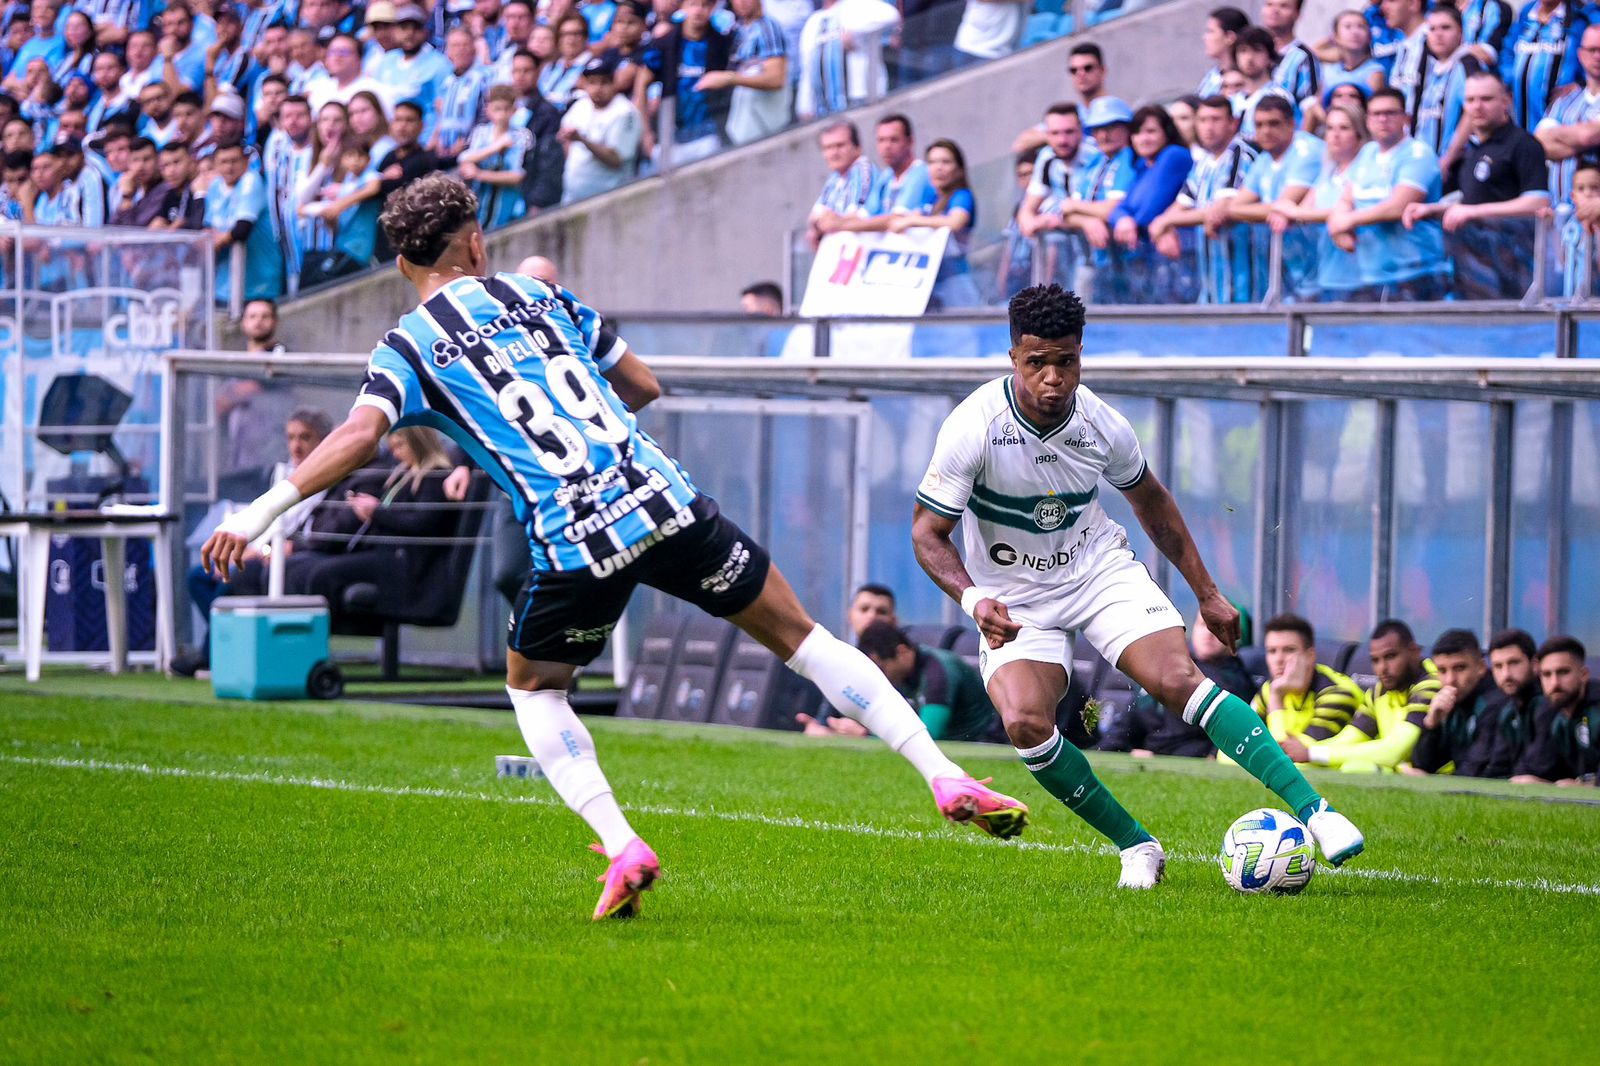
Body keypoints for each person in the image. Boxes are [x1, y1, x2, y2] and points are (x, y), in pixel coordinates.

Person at [203, 173, 1030, 921]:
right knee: (805, 639)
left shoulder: (409, 346)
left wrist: (261, 513)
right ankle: (941, 773)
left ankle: (622, 843)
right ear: (476, 242)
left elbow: (357, 433)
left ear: (401, 262)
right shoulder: (541, 296)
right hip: (663, 499)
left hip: (576, 538)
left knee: (535, 691)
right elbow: (642, 386)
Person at [910, 283, 1364, 889]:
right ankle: (1137, 846)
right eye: (1036, 362)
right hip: (1012, 595)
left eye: (1065, 361)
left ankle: (1317, 812)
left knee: (1179, 680)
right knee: (1024, 721)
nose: (1052, 379)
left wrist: (1207, 592)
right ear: (1013, 358)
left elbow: (1152, 502)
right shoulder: (972, 427)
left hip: (1096, 570)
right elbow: (927, 534)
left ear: (1081, 355)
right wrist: (973, 598)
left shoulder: (1102, 425)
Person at [175, 407, 339, 676]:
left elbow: (303, 529)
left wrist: (261, 551)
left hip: (285, 555)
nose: (296, 446)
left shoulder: (328, 477)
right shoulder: (284, 473)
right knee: (198, 577)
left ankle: (211, 656)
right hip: (262, 551)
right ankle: (223, 648)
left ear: (322, 440)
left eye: (304, 437)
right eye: (291, 437)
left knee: (232, 580)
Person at [1404, 71, 1548, 299]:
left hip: (1512, 270)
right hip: (1474, 267)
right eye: (1470, 100)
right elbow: (1478, 198)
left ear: (1506, 101)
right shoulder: (1474, 149)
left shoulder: (1524, 145)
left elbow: (1537, 202)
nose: (1477, 106)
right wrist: (1434, 209)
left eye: (1486, 99)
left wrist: (1471, 212)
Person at [1328, 86, 1449, 301]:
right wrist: (1337, 226)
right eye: (1376, 114)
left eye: (1390, 113)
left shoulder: (1418, 153)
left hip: (1416, 273)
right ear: (1367, 120)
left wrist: (1346, 222)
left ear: (1406, 118)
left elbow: (1398, 207)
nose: (1382, 119)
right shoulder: (1367, 152)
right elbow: (1347, 198)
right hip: (1372, 273)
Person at [1282, 618, 1439, 772]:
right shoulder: (1379, 691)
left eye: (1390, 656)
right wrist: (1303, 754)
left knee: (1355, 768)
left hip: (1443, 777)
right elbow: (1349, 738)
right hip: (1403, 772)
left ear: (1414, 652)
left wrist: (1312, 753)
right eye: (1375, 660)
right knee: (1315, 767)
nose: (1382, 668)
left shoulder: (1430, 684)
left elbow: (1394, 751)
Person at [802, 621, 1001, 741]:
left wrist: (864, 736)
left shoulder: (938, 672)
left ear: (902, 652)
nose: (877, 675)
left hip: (982, 747)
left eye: (881, 668)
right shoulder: (900, 674)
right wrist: (824, 727)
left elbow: (928, 736)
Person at [1099, 611, 1256, 759]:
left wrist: (1157, 760)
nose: (1208, 633)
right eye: (1203, 625)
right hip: (1143, 758)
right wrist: (1116, 751)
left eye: (1218, 627)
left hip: (1185, 763)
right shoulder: (1166, 668)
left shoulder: (1237, 683)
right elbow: (1123, 729)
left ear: (1236, 635)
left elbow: (1222, 748)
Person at [1147, 94, 1257, 304]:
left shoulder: (1239, 153)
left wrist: (1166, 222)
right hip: (1212, 275)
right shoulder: (1204, 161)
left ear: (1233, 123)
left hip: (1241, 277)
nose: (1208, 127)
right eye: (1203, 120)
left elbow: (1220, 210)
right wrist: (1162, 227)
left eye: (1216, 120)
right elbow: (1183, 203)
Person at [1269, 100, 1368, 299]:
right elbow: (1303, 211)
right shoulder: (1328, 171)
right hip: (1326, 274)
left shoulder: (1365, 166)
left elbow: (1349, 212)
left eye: (1344, 128)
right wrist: (1288, 213)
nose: (1335, 135)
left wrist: (1293, 211)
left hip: (1359, 276)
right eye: (1330, 128)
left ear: (1358, 132)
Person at [1107, 106, 1195, 304]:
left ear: (1167, 132)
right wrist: (1123, 219)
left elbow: (1150, 209)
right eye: (1137, 133)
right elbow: (1119, 209)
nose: (1143, 139)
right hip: (1151, 261)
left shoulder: (1174, 155)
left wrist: (1130, 220)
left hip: (1179, 257)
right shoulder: (1142, 166)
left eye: (1151, 131)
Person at [1248, 613, 1364, 750]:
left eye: (1289, 650)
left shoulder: (1337, 693)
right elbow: (1233, 748)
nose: (1278, 659)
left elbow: (1292, 756)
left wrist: (1277, 699)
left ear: (1310, 656)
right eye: (1272, 651)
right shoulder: (1270, 688)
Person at [887, 138, 979, 310]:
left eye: (946, 162)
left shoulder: (961, 195)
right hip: (931, 284)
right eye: (932, 162)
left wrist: (912, 221)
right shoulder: (931, 199)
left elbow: (955, 221)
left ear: (959, 169)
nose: (938, 167)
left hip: (956, 282)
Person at [1408, 629, 1510, 776]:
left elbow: (1477, 772)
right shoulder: (1454, 701)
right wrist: (1432, 723)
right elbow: (1422, 765)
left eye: (1460, 668)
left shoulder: (1494, 703)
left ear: (1480, 668)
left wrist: (1431, 781)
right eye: (1442, 670)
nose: (1450, 680)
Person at [1510, 635, 1598, 785]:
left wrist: (1588, 786)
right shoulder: (1551, 711)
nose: (1554, 683)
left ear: (1584, 674)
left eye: (1563, 672)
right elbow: (1533, 768)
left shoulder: (1596, 711)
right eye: (1546, 674)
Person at [206, 140, 283, 302]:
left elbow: (241, 230)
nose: (229, 167)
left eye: (235, 161)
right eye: (224, 162)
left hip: (259, 282)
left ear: (246, 162)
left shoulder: (251, 181)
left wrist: (211, 244)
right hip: (225, 284)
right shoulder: (214, 187)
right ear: (215, 165)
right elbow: (207, 227)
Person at [559, 55, 641, 203]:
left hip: (610, 201)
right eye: (592, 83)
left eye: (604, 82)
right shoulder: (581, 104)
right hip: (573, 197)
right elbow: (564, 135)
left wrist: (582, 140)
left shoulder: (625, 112)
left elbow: (616, 159)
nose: (597, 88)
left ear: (614, 83)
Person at [1501, 0, 1594, 130]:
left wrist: (1581, 83)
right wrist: (1509, 81)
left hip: (1559, 116)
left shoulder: (1580, 17)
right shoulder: (1527, 13)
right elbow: (1508, 51)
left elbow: (1592, 52)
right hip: (1521, 113)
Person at [1535, 22, 1600, 207]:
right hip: (1559, 213)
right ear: (1580, 54)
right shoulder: (1564, 101)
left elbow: (1587, 136)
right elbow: (1540, 144)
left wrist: (1562, 136)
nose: (1597, 56)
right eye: (1592, 50)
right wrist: (1584, 141)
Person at [710, 0, 789, 147]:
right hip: (742, 119)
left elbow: (776, 78)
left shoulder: (767, 27)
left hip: (766, 123)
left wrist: (729, 79)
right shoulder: (737, 29)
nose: (741, 2)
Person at [1414, 4, 1485, 167]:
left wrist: (1448, 159)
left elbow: (1472, 113)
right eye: (1432, 29)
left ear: (1460, 33)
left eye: (1445, 28)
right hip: (1427, 163)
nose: (1438, 34)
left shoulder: (1467, 64)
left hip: (1454, 166)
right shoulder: (1433, 67)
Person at [460, 84, 534, 229]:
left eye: (506, 109)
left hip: (509, 210)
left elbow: (517, 177)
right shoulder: (480, 133)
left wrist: (480, 174)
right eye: (497, 109)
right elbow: (464, 159)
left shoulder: (522, 136)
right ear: (488, 109)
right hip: (480, 206)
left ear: (514, 110)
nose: (501, 114)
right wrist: (495, 148)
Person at [805, 119, 873, 248]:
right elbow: (814, 217)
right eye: (828, 148)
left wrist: (830, 222)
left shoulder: (863, 171)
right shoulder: (834, 179)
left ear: (857, 148)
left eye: (840, 145)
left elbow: (857, 217)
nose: (834, 153)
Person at [1197, 6, 1250, 97]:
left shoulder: (1246, 79)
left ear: (1229, 37)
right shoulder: (1212, 76)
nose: (1204, 37)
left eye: (1210, 31)